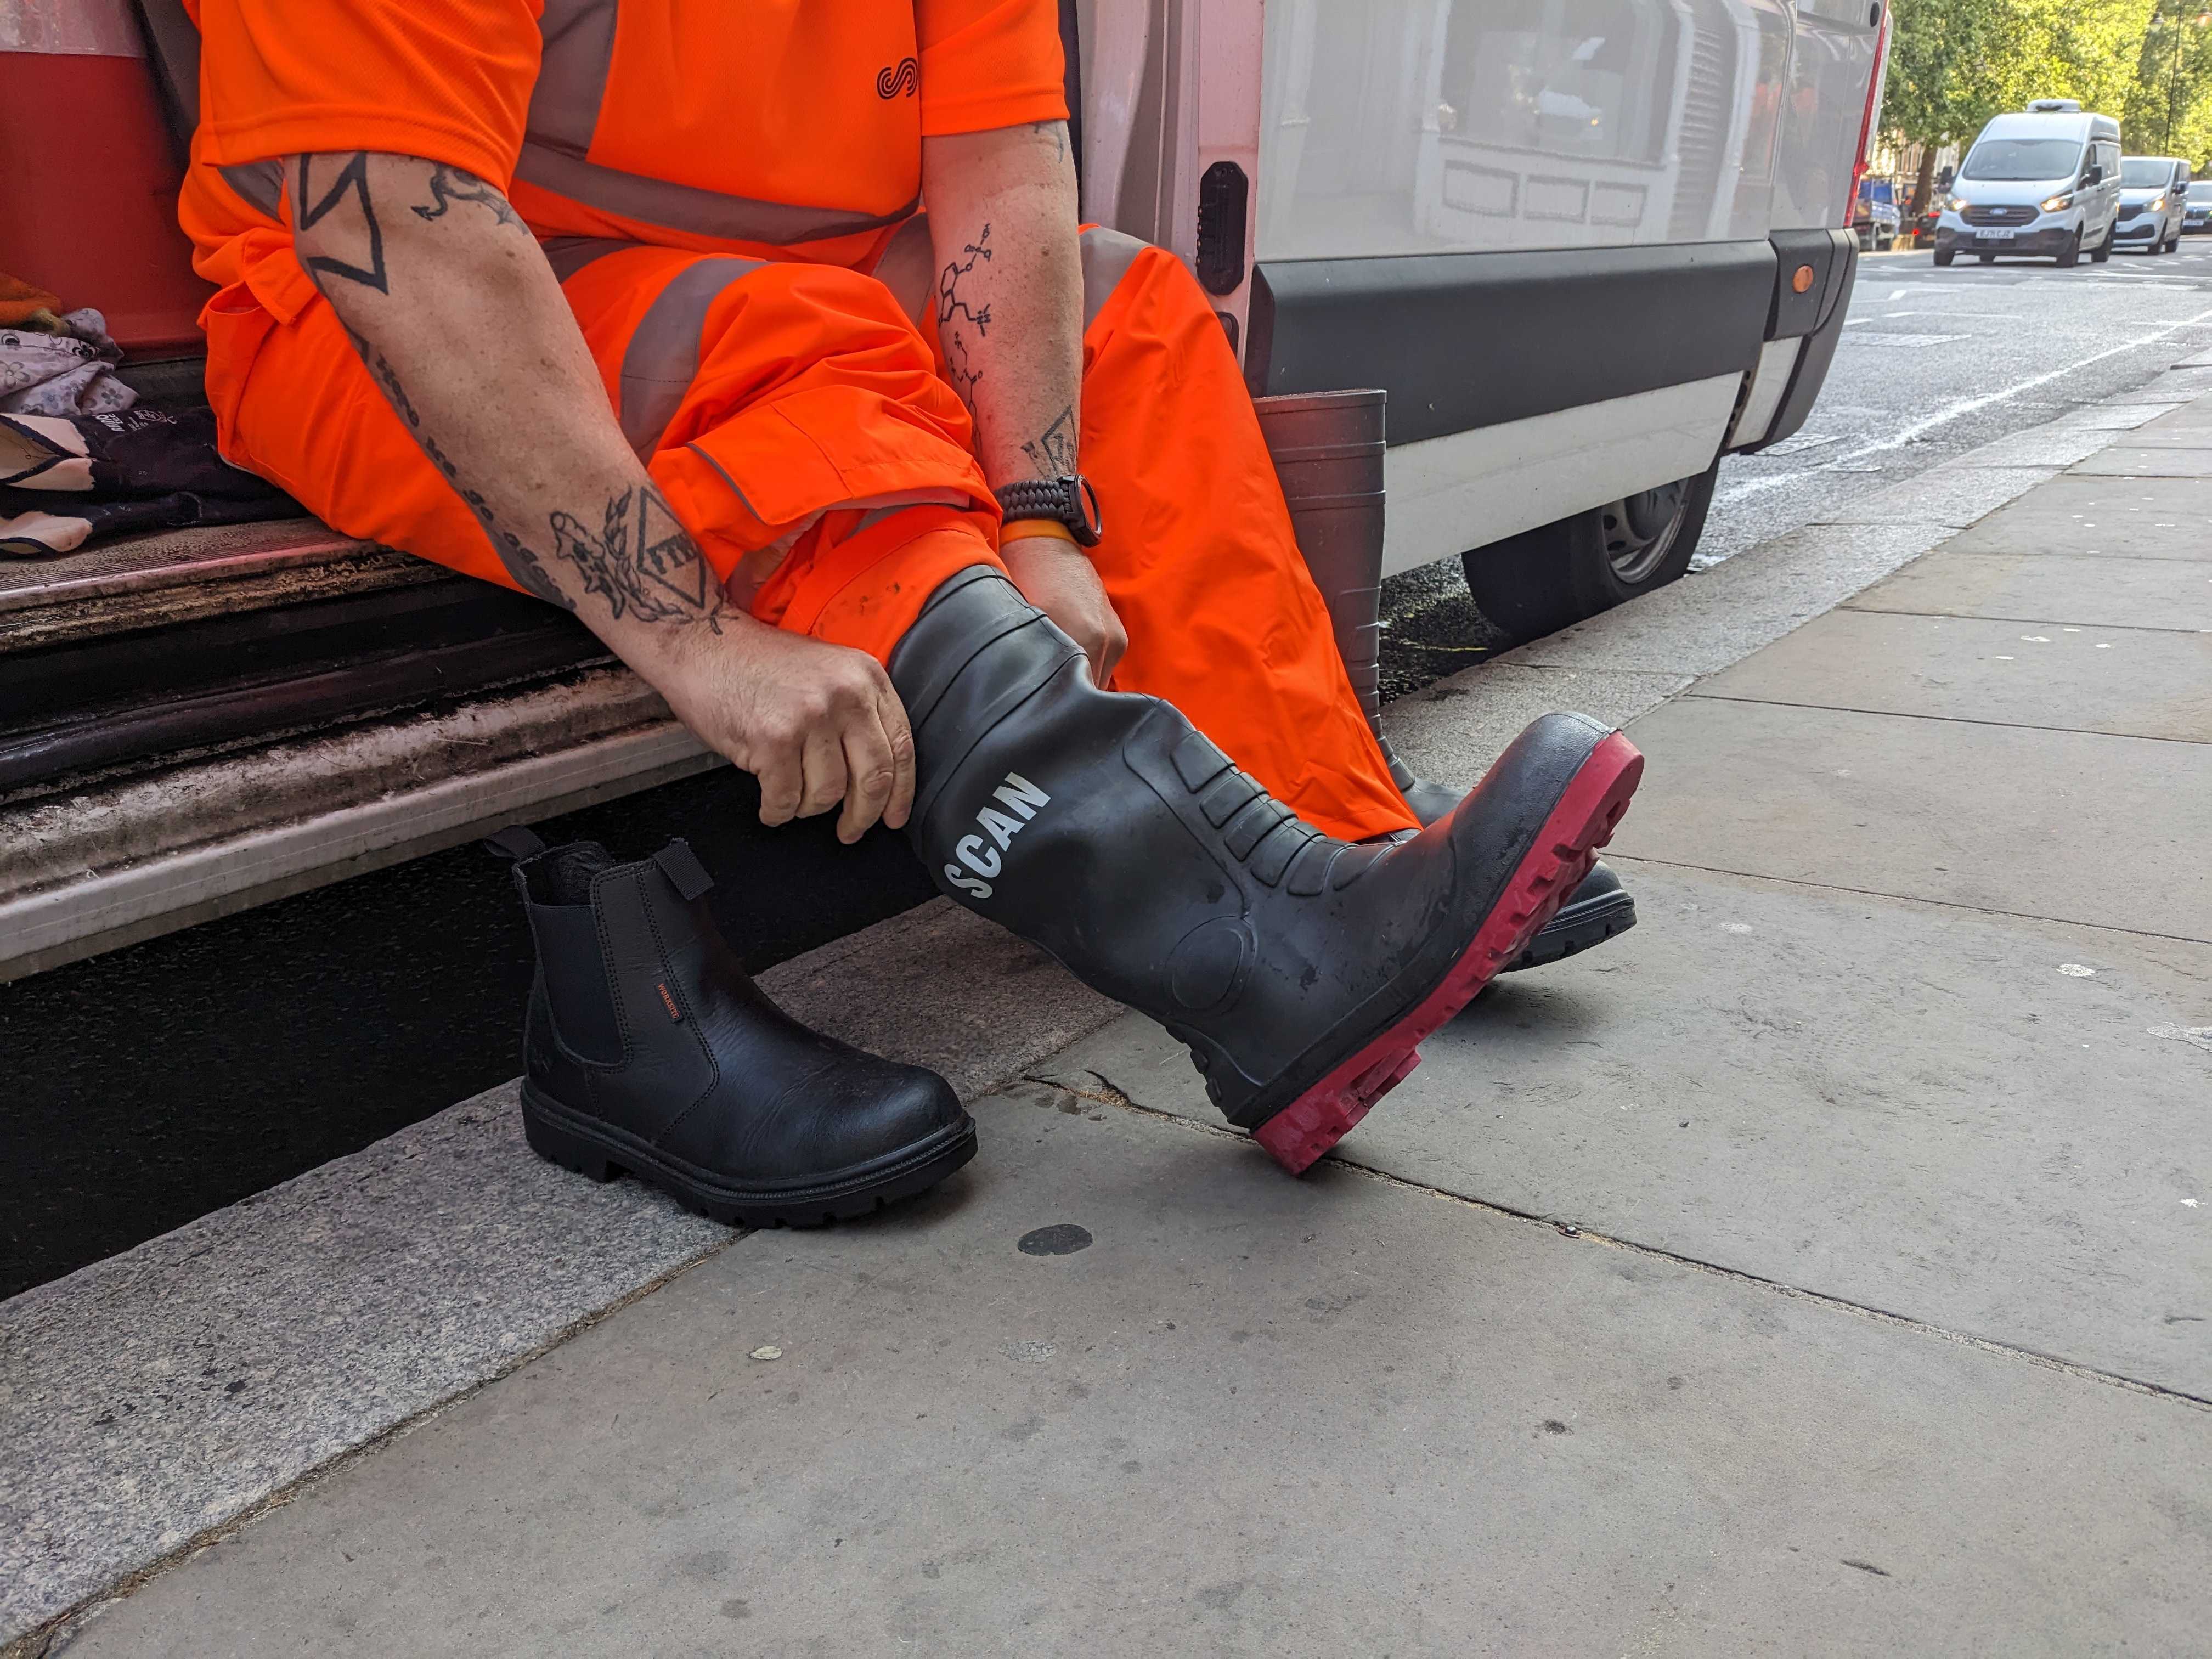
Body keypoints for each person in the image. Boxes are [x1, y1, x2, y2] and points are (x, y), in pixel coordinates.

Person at [176, 0, 1644, 1223]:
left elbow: (1002, 169)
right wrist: (699, 642)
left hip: (759, 268)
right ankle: (1242, 949)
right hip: (383, 304)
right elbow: (395, 222)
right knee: (790, 348)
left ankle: (1330, 846)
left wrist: (1045, 520)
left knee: (1131, 310)